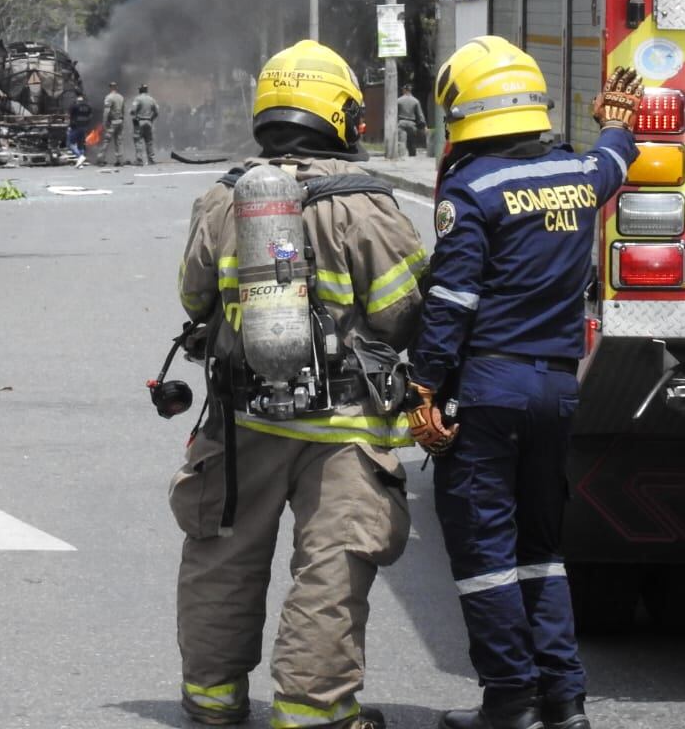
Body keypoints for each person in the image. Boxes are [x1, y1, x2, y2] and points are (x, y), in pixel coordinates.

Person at [172, 39, 430, 729]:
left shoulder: (222, 199)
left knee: (220, 553)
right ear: (339, 115)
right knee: (330, 568)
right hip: (341, 428)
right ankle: (311, 711)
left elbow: (192, 298)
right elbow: (402, 309)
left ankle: (212, 698)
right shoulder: (364, 205)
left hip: (240, 415)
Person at [406, 37, 642, 729]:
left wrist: (423, 387)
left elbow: (452, 302)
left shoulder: (471, 190)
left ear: (464, 114)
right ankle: (563, 701)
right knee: (540, 551)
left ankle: (508, 700)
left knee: (484, 555)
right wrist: (614, 123)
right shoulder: (577, 173)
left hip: (488, 389)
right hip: (555, 391)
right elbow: (611, 161)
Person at [130, 83, 160, 165]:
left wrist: (134, 115)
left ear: (140, 90)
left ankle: (139, 160)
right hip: (149, 122)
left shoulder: (138, 99)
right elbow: (157, 112)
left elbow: (133, 110)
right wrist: (151, 119)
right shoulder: (152, 99)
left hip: (140, 122)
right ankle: (151, 160)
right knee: (149, 141)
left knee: (138, 141)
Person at [396, 82, 427, 157]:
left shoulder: (399, 100)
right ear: (410, 90)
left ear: (404, 90)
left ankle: (401, 156)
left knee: (401, 141)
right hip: (411, 124)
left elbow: (394, 113)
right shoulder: (415, 101)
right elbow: (420, 115)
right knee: (412, 142)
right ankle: (412, 156)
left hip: (401, 123)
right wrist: (424, 125)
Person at [67, 90, 95, 166]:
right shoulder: (88, 106)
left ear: (76, 96)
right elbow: (90, 116)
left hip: (75, 127)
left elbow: (70, 116)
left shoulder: (74, 105)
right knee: (81, 145)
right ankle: (81, 163)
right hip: (84, 127)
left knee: (71, 144)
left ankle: (80, 156)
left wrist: (70, 126)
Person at [102, 81, 126, 167]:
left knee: (106, 140)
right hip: (120, 121)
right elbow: (123, 110)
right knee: (119, 141)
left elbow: (106, 111)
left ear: (110, 87)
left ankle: (101, 159)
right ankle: (120, 160)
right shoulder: (121, 97)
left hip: (112, 122)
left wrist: (104, 123)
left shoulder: (109, 97)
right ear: (116, 87)